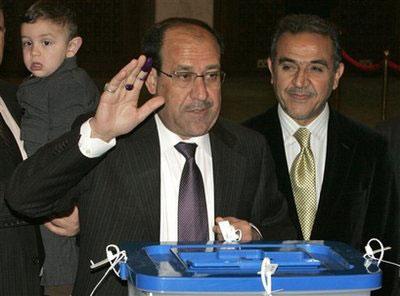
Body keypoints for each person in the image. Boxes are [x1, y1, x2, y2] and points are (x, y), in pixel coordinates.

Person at [6, 17, 286, 295]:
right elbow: (23, 199)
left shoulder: (248, 148)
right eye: (184, 75)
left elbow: (281, 235)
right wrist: (98, 134)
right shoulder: (111, 143)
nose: (201, 93)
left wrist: (253, 236)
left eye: (211, 75)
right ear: (152, 80)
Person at [244, 14, 399, 295]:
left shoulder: (370, 149)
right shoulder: (240, 144)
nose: (300, 82)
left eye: (316, 69)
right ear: (271, 70)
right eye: (288, 66)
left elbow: (388, 251)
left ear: (337, 75)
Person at [17, 1, 99, 294]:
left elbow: (68, 151)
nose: (34, 52)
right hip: (41, 184)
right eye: (27, 43)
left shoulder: (70, 85)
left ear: (72, 47)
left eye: (46, 42)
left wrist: (65, 199)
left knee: (60, 268)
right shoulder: (41, 82)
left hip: (58, 191)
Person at [0, 1, 79, 294]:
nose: (35, 51)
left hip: (43, 273)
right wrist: (50, 205)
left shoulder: (21, 95)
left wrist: (81, 207)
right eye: (28, 43)